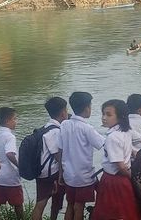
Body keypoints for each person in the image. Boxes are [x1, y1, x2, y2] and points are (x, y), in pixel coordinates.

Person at [58, 92, 105, 220]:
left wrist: (61, 173)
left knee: (70, 204)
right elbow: (103, 144)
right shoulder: (87, 128)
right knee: (79, 206)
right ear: (86, 108)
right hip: (83, 176)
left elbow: (60, 150)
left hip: (69, 174)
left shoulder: (64, 125)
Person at [92, 100, 141, 220]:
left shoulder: (113, 137)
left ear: (120, 117)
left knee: (111, 213)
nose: (104, 118)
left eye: (108, 115)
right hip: (123, 179)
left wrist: (133, 179)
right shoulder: (126, 131)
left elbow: (120, 166)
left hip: (113, 181)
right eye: (103, 114)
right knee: (126, 212)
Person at [32, 97, 68, 220]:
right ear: (63, 112)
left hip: (41, 172)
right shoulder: (55, 131)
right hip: (52, 174)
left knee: (42, 202)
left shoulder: (45, 127)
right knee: (44, 203)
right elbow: (57, 155)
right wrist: (63, 174)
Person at [0, 107, 24, 219]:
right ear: (8, 121)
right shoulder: (10, 136)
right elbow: (10, 154)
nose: (16, 121)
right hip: (10, 177)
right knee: (18, 204)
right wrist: (20, 166)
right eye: (15, 119)